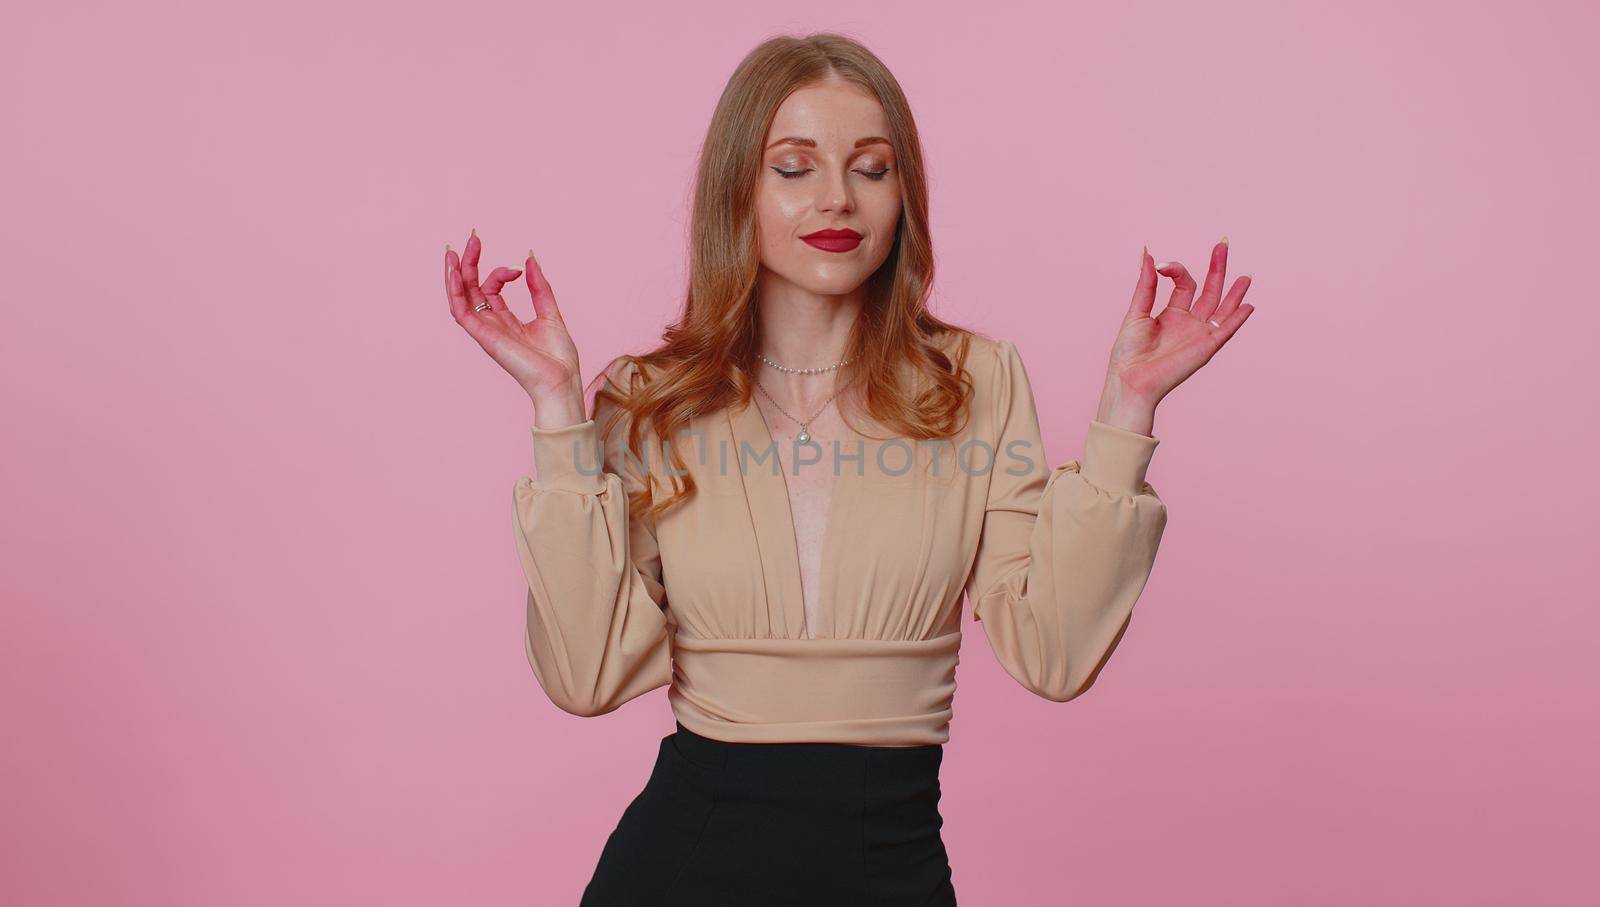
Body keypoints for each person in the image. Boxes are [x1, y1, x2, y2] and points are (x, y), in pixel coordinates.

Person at [445, 32, 1254, 907]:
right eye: (793, 167)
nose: (837, 196)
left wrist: (1128, 410)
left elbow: (1055, 653)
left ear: (904, 195)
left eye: (871, 167)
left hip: (890, 866)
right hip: (678, 868)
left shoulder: (978, 384)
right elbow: (585, 676)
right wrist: (559, 405)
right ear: (737, 192)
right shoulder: (650, 399)